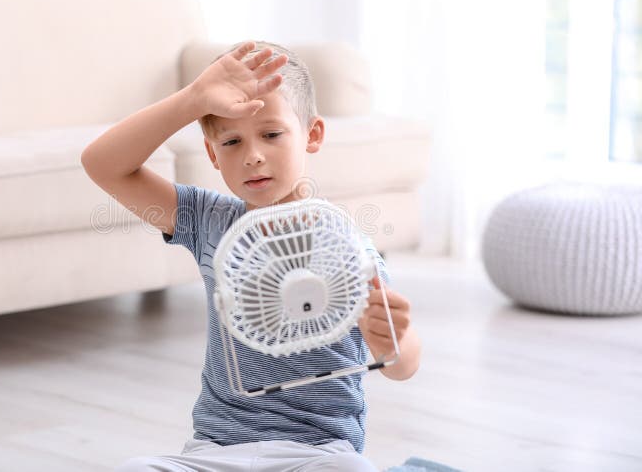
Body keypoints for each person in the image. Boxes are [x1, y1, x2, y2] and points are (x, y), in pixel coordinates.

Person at [81, 41, 421, 471]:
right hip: (217, 453)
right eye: (232, 141)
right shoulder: (206, 220)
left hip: (316, 455)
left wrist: (392, 341)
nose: (253, 155)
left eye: (272, 134)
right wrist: (193, 100)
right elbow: (101, 164)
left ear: (312, 135)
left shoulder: (346, 246)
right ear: (212, 153)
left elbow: (403, 365)